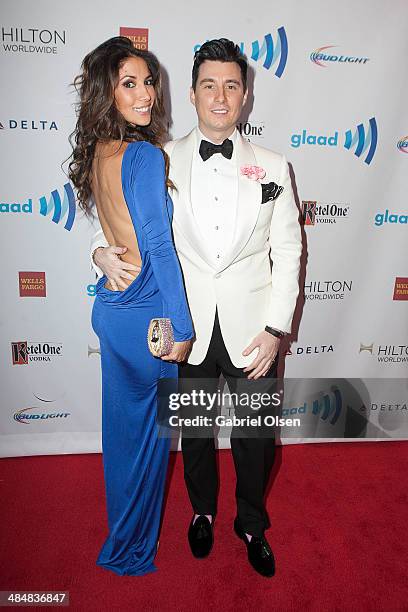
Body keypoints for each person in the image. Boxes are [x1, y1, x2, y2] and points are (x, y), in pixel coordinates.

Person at [90, 38, 302, 577]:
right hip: (184, 325)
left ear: (246, 94)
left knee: (255, 437)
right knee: (196, 432)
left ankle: (252, 523)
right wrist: (97, 250)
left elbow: (289, 250)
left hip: (254, 326)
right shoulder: (159, 157)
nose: (221, 95)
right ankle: (202, 512)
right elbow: (129, 225)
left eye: (232, 84)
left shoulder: (275, 166)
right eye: (209, 84)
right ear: (190, 93)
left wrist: (277, 328)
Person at [69, 36, 194, 576]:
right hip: (149, 320)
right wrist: (183, 327)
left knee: (122, 440)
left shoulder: (100, 150)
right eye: (130, 84)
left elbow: (110, 229)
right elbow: (159, 247)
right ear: (107, 93)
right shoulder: (143, 155)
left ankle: (121, 536)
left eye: (148, 82)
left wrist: (98, 252)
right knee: (147, 448)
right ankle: (131, 552)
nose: (145, 94)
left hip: (111, 315)